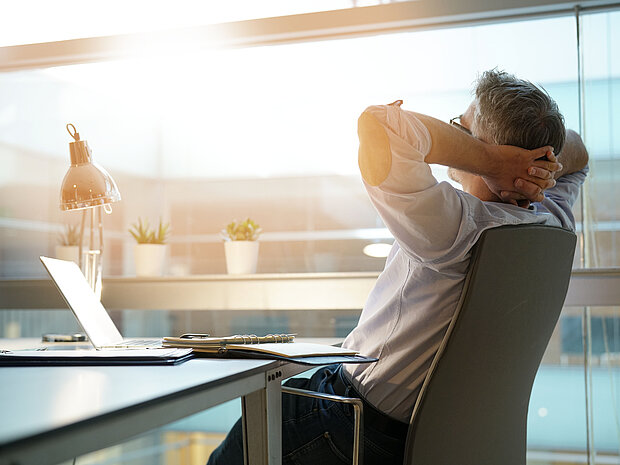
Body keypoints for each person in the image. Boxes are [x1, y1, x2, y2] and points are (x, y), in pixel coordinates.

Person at [207, 69, 589, 465]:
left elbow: (378, 126)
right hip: (437, 440)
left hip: (356, 426)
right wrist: (536, 165)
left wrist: (491, 161)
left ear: (488, 150)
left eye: (461, 129)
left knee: (244, 437)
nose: (454, 134)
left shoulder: (454, 226)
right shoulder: (551, 221)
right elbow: (579, 151)